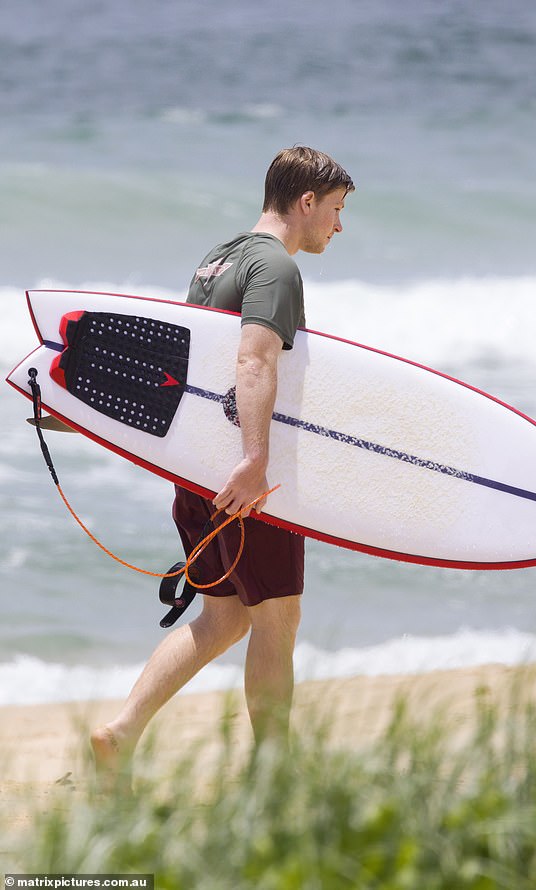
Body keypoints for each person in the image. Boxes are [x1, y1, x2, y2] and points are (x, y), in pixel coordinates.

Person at [90, 146, 354, 781]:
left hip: (196, 472)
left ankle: (121, 733)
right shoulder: (276, 270)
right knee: (278, 618)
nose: (339, 227)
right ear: (307, 201)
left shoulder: (220, 260)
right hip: (244, 480)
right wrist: (256, 462)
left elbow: (191, 370)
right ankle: (274, 779)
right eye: (337, 211)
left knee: (226, 616)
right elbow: (253, 360)